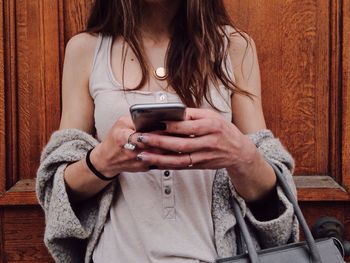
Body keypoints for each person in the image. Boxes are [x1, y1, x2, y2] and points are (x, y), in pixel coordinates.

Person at [36, 0, 298, 262]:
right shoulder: (86, 49)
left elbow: (276, 205)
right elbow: (58, 191)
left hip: (213, 256)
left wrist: (240, 155)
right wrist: (102, 161)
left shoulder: (235, 47)